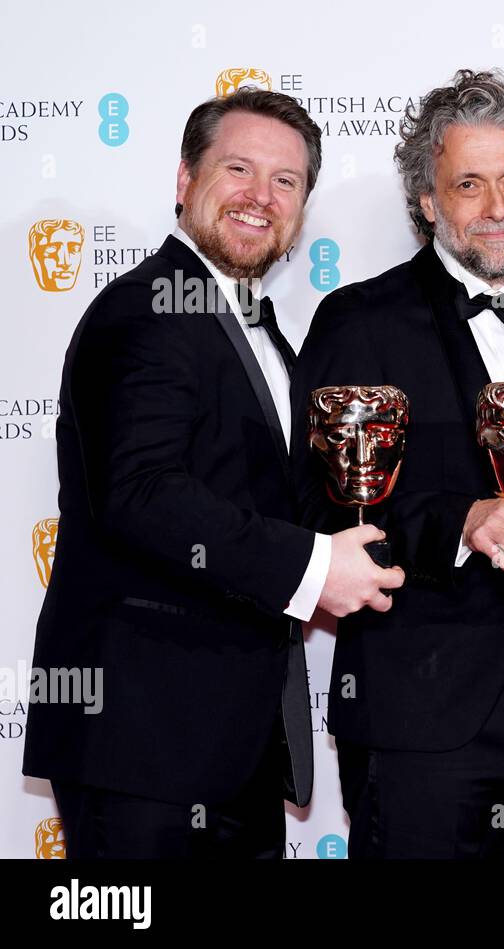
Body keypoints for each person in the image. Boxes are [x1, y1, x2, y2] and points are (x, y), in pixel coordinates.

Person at [23, 88, 402, 858]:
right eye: (238, 168)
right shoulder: (144, 312)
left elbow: (262, 500)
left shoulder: (262, 334)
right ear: (184, 181)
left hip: (236, 744)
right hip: (141, 742)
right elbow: (140, 492)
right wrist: (314, 564)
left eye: (286, 181)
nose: (260, 197)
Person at [291, 69, 504, 859]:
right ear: (428, 202)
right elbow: (315, 503)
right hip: (413, 710)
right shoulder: (361, 319)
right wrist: (463, 523)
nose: (496, 207)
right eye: (468, 184)